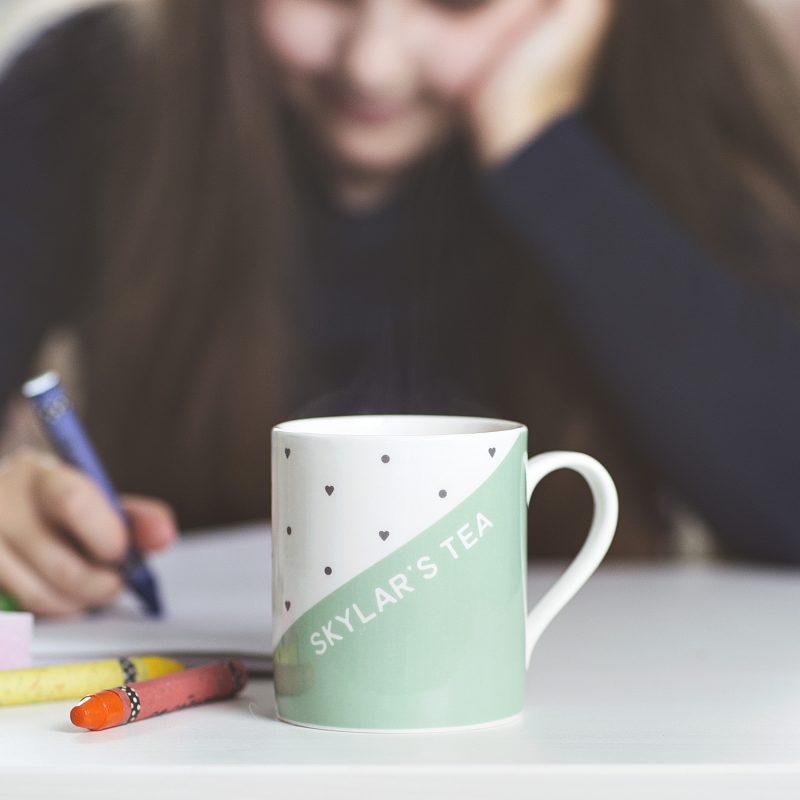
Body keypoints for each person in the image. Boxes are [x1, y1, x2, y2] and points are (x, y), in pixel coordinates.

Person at [0, 0, 798, 615]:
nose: (373, 66)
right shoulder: (89, 90)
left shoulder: (680, 111)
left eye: (459, 3)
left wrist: (538, 148)